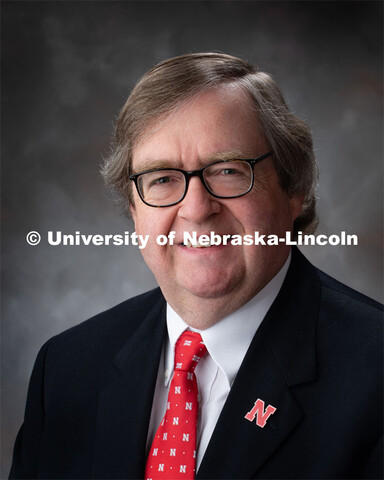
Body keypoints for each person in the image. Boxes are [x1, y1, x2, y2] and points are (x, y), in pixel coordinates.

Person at [10, 53, 382, 479]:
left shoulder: (374, 377)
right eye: (163, 178)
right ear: (134, 211)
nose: (196, 208)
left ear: (293, 189)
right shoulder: (66, 369)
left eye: (227, 170)